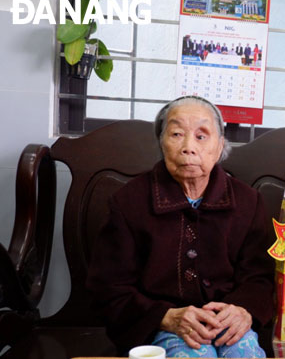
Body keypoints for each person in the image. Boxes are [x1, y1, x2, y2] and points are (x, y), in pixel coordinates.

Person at [86, 96, 274, 358]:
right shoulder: (129, 202)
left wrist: (243, 310)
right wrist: (164, 316)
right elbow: (108, 287)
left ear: (220, 146)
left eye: (201, 135)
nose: (188, 147)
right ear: (161, 143)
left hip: (228, 324)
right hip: (160, 326)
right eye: (176, 134)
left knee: (244, 353)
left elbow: (260, 277)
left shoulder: (247, 202)